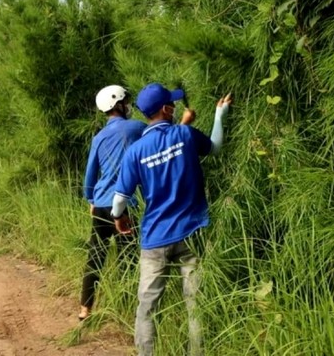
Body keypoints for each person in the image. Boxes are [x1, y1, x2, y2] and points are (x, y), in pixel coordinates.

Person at [112, 83, 232, 356]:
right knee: (195, 304)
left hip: (155, 239)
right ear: (166, 109)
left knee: (147, 308)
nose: (175, 106)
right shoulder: (185, 134)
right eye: (172, 104)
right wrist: (219, 116)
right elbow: (215, 148)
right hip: (191, 233)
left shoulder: (136, 152)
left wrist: (119, 218)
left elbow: (119, 199)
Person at [78, 85, 146, 321]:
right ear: (118, 104)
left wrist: (90, 200)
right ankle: (127, 311)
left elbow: (90, 175)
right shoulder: (137, 127)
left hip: (100, 205)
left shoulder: (99, 137)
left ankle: (85, 309)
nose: (128, 105)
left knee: (95, 255)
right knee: (127, 258)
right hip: (126, 205)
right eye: (126, 101)